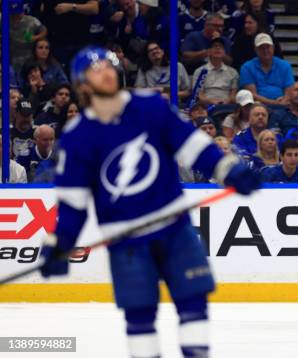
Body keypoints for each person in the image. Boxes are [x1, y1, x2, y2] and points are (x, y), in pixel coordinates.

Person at [38, 47, 260, 358]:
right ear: (82, 84)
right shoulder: (77, 136)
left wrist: (229, 170)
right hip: (126, 240)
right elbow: (73, 204)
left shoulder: (150, 107)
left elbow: (194, 146)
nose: (106, 71)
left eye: (110, 65)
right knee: (139, 315)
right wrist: (60, 243)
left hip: (173, 227)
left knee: (193, 302)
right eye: (96, 69)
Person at [239, 33, 295, 106]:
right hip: (256, 106)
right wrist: (274, 103)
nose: (265, 50)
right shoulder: (247, 67)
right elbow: (251, 94)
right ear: (256, 50)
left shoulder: (285, 65)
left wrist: (283, 102)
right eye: (261, 48)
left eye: (268, 47)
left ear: (273, 48)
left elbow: (289, 91)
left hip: (282, 106)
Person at [192, 37, 239, 107]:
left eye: (221, 47)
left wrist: (226, 101)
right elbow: (199, 95)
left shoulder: (233, 72)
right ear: (208, 51)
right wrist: (211, 101)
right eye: (214, 46)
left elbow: (233, 95)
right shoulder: (199, 71)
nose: (218, 48)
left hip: (227, 106)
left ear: (224, 53)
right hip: (206, 106)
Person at [8, 0, 48, 71]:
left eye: (18, 14)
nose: (16, 17)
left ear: (23, 12)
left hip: (28, 58)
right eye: (13, 14)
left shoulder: (31, 20)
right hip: (11, 57)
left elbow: (44, 30)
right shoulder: (4, 20)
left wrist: (35, 37)